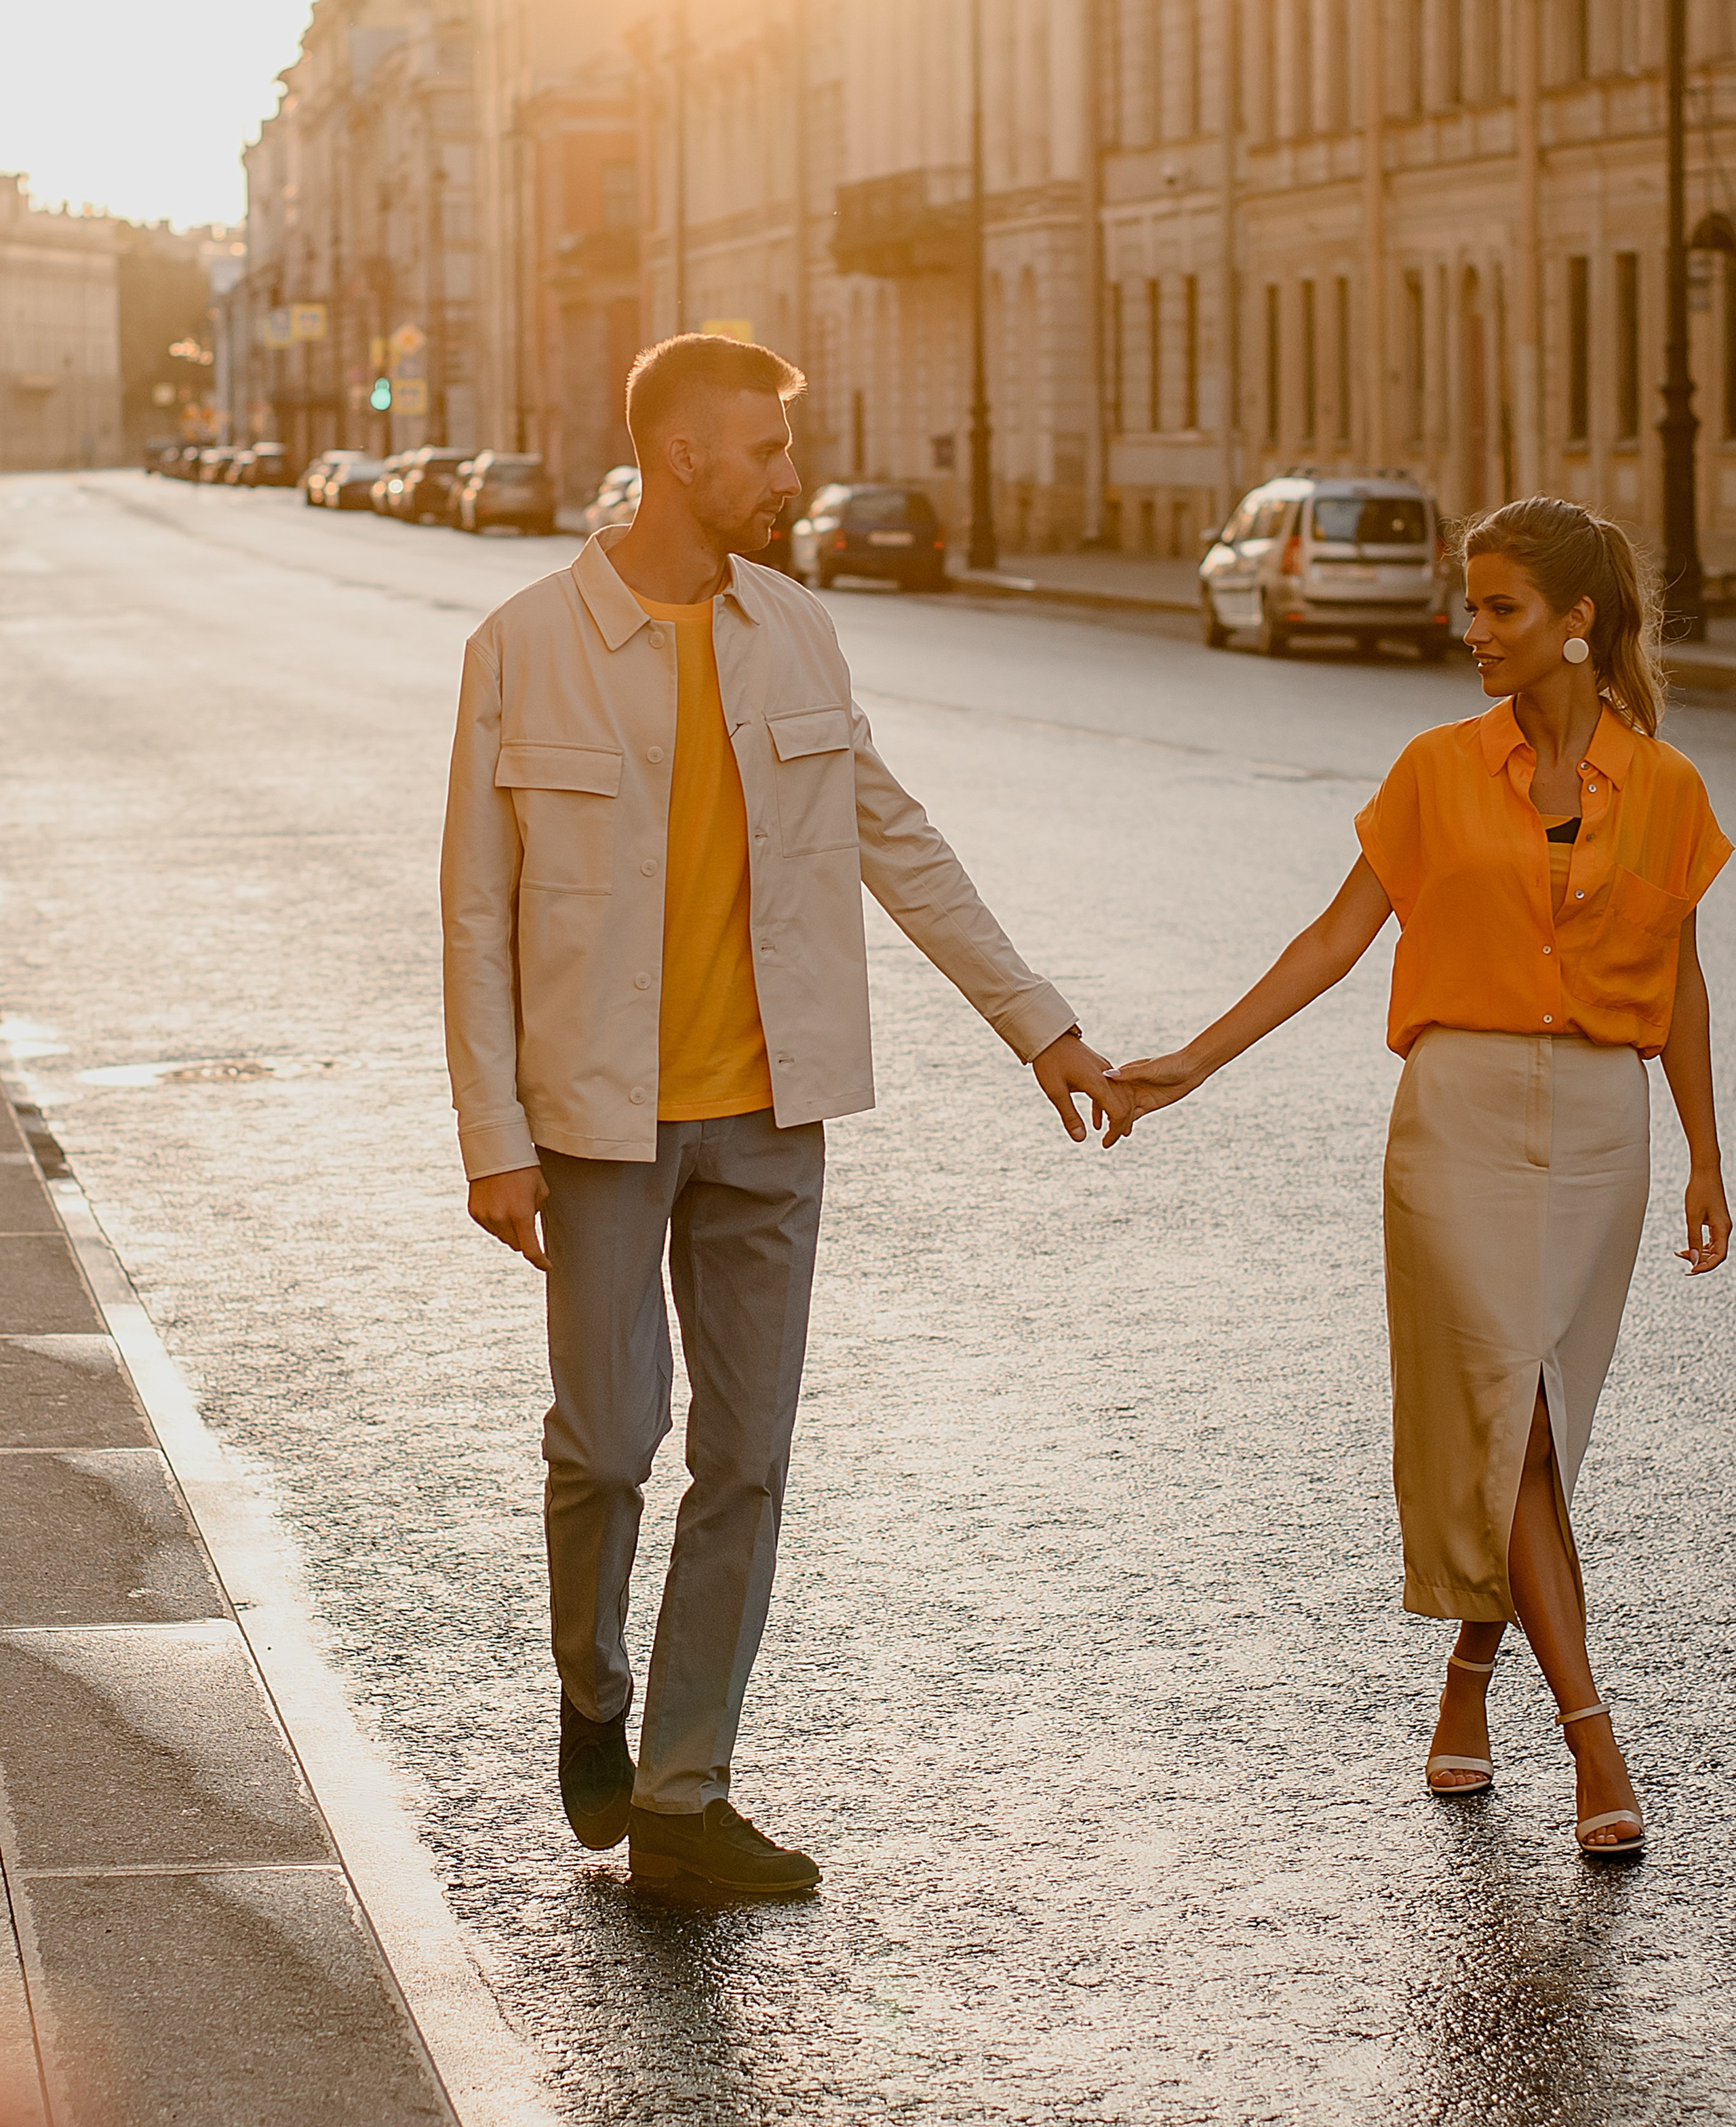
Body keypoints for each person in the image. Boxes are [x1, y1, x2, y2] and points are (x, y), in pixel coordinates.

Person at [441, 333, 1126, 1900]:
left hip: (769, 1110)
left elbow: (895, 837)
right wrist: (491, 1135)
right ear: (683, 458)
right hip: (598, 1122)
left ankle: (683, 1794)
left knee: (745, 1460)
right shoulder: (525, 644)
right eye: (764, 452)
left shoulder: (796, 634)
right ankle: (594, 1693)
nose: (789, 479)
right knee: (609, 1447)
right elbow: (474, 914)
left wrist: (1043, 1031)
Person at [1105, 496, 1729, 1858]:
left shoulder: (1666, 790)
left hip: (1601, 1129)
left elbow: (1674, 978)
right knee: (1498, 1400)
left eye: (1498, 608)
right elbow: (1335, 939)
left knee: (1534, 1424)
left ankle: (1464, 1683)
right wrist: (1194, 1062)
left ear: (1576, 623)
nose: (1469, 630)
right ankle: (1589, 1734)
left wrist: (1702, 1149)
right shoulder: (1434, 768)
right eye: (1469, 603)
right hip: (1453, 1119)